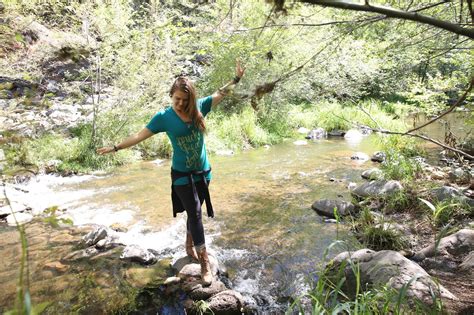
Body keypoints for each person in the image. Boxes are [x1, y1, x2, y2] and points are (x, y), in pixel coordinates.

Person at [97, 60, 245, 286]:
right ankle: (204, 263)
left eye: (185, 100)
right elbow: (139, 136)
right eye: (176, 99)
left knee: (194, 212)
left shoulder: (199, 108)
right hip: (182, 176)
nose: (180, 103)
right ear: (171, 95)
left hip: (203, 173)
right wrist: (115, 148)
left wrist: (236, 79)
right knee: (195, 213)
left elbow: (220, 93)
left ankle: (189, 245)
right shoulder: (163, 117)